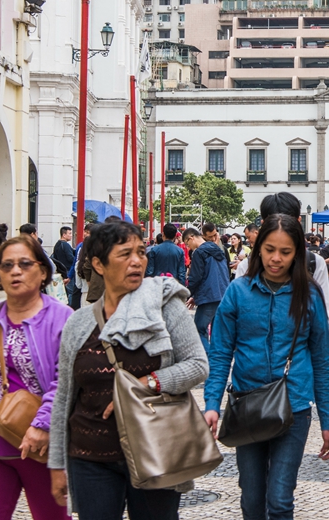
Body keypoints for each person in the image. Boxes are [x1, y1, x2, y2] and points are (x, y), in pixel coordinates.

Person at [49, 220, 208, 518]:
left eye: (141, 252)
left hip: (156, 448)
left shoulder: (165, 306)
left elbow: (197, 366)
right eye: (125, 254)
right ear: (98, 264)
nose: (137, 261)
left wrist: (145, 383)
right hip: (90, 456)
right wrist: (57, 464)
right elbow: (64, 398)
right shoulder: (79, 323)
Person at [204, 214, 329, 519]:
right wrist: (212, 403)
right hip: (247, 405)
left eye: (286, 252)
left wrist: (327, 419)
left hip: (294, 406)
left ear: (297, 254)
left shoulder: (310, 295)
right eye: (269, 250)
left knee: (279, 499)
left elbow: (322, 359)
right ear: (258, 248)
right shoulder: (238, 292)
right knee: (251, 499)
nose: (276, 259)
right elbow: (221, 351)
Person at [0, 236, 72, 520]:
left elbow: (66, 381)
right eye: (6, 266)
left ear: (43, 271)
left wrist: (43, 425)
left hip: (41, 447)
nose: (15, 271)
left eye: (24, 264)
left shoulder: (62, 317)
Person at [234, 193, 329, 324]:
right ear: (263, 224)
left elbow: (324, 312)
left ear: (298, 221)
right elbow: (234, 317)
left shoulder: (314, 263)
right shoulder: (247, 266)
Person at [182, 228, 230, 354]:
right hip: (224, 295)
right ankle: (215, 360)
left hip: (209, 297)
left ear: (191, 238)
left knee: (198, 330)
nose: (188, 248)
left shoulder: (199, 253)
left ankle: (208, 362)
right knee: (216, 333)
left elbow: (196, 277)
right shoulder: (219, 250)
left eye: (187, 244)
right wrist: (196, 296)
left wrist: (187, 294)